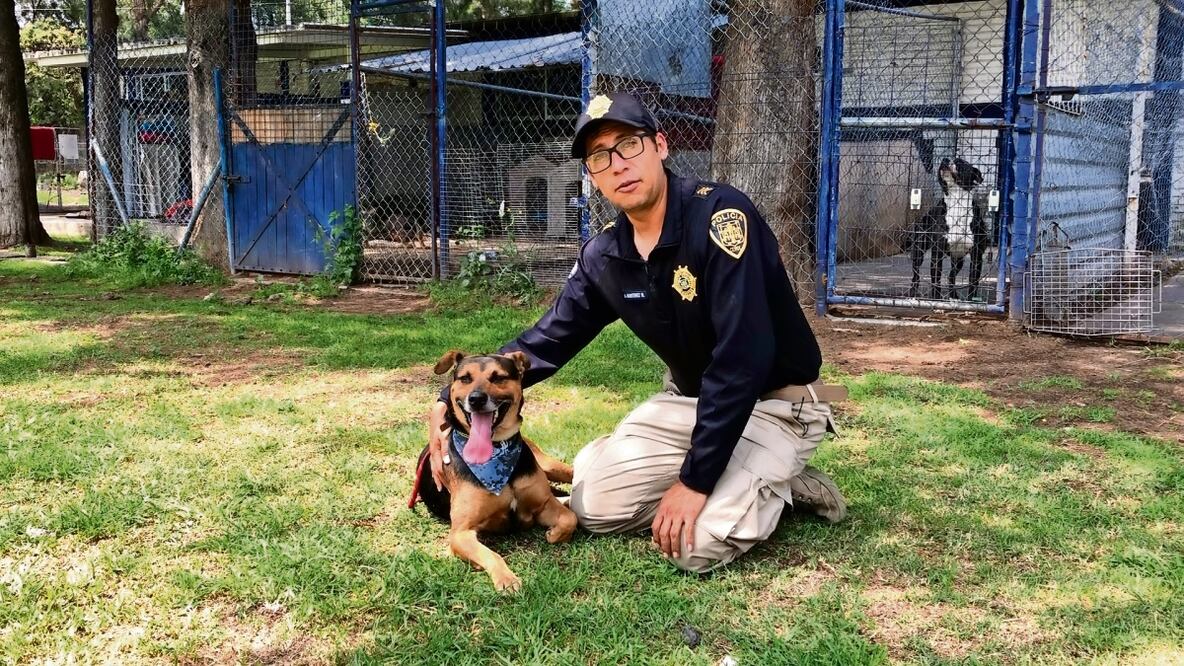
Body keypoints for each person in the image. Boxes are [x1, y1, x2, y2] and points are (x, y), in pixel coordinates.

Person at [427, 92, 847, 573]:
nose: (618, 165)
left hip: (776, 404)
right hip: (690, 403)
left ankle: (782, 480)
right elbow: (548, 340)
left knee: (693, 547)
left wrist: (695, 482)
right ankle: (732, 472)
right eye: (599, 157)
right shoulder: (606, 255)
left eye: (628, 145)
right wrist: (445, 399)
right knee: (592, 510)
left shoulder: (720, 217)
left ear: (660, 146)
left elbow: (741, 359)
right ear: (593, 176)